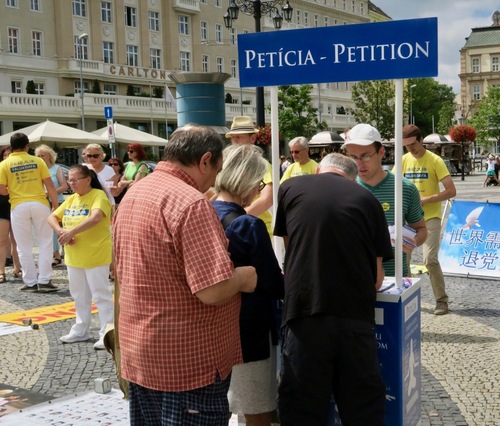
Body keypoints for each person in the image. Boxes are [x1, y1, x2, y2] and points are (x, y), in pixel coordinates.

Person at [113, 125, 257, 425]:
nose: (214, 181)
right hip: (189, 362)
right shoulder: (190, 202)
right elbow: (212, 290)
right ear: (205, 160)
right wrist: (244, 277)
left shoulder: (135, 191)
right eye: (216, 170)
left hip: (142, 351)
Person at [274, 153, 393, 426]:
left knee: (301, 406)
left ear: (318, 170)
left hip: (304, 315)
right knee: (362, 408)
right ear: (352, 178)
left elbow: (291, 251)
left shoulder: (290, 188)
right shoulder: (368, 200)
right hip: (354, 318)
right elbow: (376, 279)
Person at [212, 144, 284, 426]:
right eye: (260, 181)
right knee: (258, 407)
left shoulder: (204, 212)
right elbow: (273, 284)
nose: (260, 188)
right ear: (246, 179)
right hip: (249, 330)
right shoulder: (247, 224)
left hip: (212, 328)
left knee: (222, 405)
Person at [342, 123, 427, 277]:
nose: (359, 164)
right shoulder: (343, 189)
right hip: (352, 279)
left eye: (366, 156)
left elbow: (421, 229)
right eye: (353, 157)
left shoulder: (405, 188)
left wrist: (413, 240)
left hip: (394, 279)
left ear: (381, 152)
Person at [47, 165, 113, 350]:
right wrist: (61, 231)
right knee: (79, 295)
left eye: (75, 179)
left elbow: (96, 218)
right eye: (70, 180)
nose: (71, 183)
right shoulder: (72, 199)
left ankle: (106, 332)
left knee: (101, 295)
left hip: (95, 254)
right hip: (74, 256)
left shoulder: (98, 196)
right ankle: (80, 329)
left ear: (88, 179)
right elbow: (51, 217)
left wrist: (71, 232)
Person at [402, 124, 457, 315]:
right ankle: (406, 298)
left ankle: (441, 301)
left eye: (413, 144)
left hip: (430, 217)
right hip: (407, 218)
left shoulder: (435, 160)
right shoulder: (403, 160)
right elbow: (392, 184)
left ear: (421, 139)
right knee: (402, 259)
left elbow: (451, 191)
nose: (410, 148)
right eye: (406, 145)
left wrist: (428, 199)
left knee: (429, 259)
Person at [0, 133, 59, 292]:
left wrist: (13, 189)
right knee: (45, 242)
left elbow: (2, 191)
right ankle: (45, 280)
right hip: (40, 204)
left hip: (18, 206)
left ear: (11, 147)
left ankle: (31, 282)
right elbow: (50, 186)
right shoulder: (38, 161)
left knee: (23, 245)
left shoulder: (4, 164)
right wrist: (55, 206)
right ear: (27, 146)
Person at [226, 116, 273, 237]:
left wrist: (236, 219)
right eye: (232, 137)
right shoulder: (227, 165)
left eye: (239, 137)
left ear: (252, 138)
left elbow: (267, 199)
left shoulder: (261, 165)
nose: (234, 141)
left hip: (255, 231)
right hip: (233, 229)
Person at [35, 144, 68, 267]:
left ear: (49, 156)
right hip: (43, 202)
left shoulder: (56, 168)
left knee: (60, 228)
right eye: (38, 156)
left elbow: (64, 186)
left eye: (43, 155)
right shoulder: (36, 169)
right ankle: (56, 255)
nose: (40, 157)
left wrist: (50, 192)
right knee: (48, 230)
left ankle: (65, 251)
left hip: (58, 201)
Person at [0, 146, 22, 282]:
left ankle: (17, 269)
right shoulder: (1, 169)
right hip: (2, 207)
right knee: (2, 240)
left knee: (17, 240)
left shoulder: (18, 171)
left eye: (10, 155)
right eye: (5, 155)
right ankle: (1, 271)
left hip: (16, 206)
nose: (7, 157)